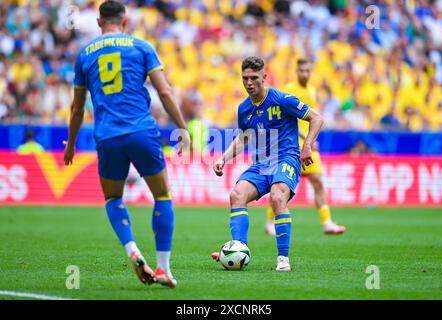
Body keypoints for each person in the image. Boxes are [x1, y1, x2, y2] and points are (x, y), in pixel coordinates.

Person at [63, 0, 190, 288]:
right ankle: (163, 268)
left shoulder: (85, 55)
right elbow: (165, 91)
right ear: (125, 21)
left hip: (107, 137)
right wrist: (182, 127)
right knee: (162, 195)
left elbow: (76, 108)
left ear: (98, 22)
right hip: (142, 131)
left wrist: (70, 146)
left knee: (113, 198)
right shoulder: (142, 47)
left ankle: (132, 248)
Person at [211, 56, 324, 272]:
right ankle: (238, 249)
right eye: (245, 78)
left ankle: (283, 260)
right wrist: (223, 158)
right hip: (262, 164)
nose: (249, 83)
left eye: (254, 78)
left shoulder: (282, 99)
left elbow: (316, 118)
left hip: (287, 158)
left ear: (265, 77)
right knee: (236, 195)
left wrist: (307, 145)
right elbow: (244, 138)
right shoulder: (244, 108)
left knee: (277, 196)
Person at [264, 58, 346, 236]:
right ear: (296, 71)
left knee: (317, 180)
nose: (305, 74)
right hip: (292, 145)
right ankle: (270, 222)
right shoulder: (290, 90)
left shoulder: (311, 89)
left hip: (308, 145)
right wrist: (305, 138)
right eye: (302, 71)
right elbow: (287, 119)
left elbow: (312, 118)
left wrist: (311, 139)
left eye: (308, 71)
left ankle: (327, 223)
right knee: (281, 185)